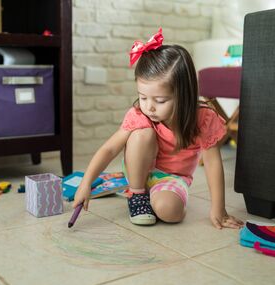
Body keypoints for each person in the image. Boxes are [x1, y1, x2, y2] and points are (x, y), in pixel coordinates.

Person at [72, 28, 244, 230]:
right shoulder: (140, 113)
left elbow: (213, 164)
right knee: (141, 133)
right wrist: (85, 184)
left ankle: (154, 195)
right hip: (139, 168)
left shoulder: (203, 118)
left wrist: (219, 209)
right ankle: (137, 194)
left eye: (160, 100)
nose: (149, 106)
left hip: (173, 177)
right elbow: (109, 149)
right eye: (143, 97)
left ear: (184, 95)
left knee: (170, 212)